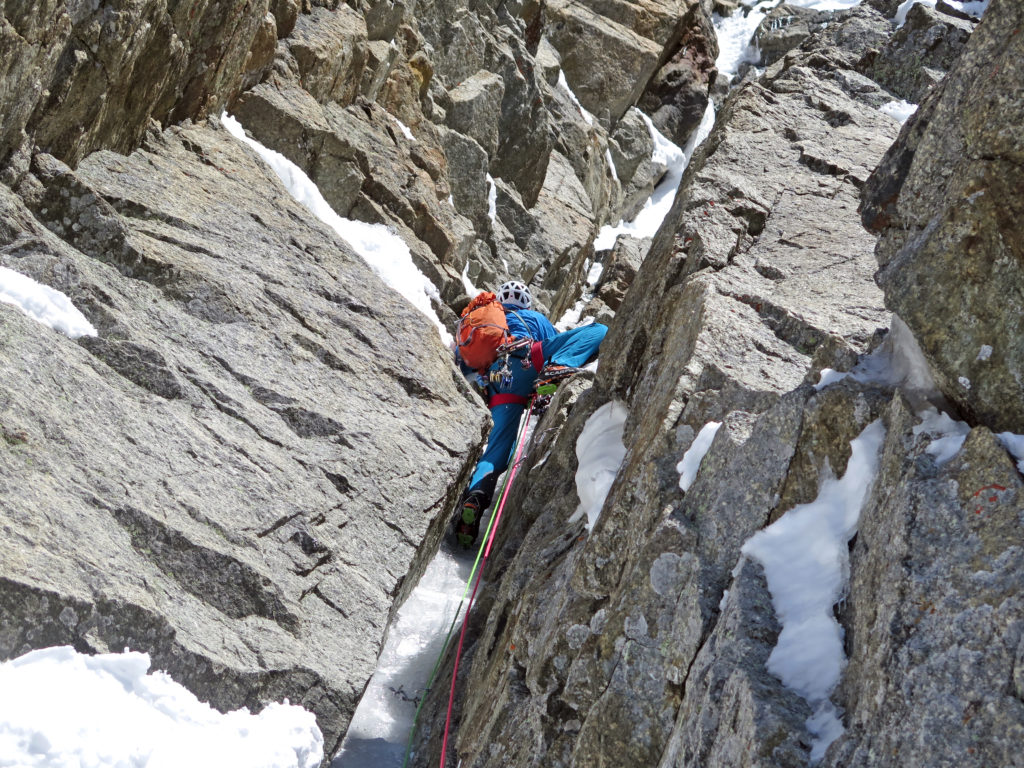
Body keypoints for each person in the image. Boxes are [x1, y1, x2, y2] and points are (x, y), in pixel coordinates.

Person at [453, 280, 607, 547]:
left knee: (497, 450)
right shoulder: (534, 317)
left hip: (498, 384)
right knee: (600, 330)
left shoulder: (485, 327)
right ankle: (559, 367)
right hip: (528, 359)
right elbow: (554, 340)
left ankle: (477, 493)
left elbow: (461, 361)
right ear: (526, 302)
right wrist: (554, 359)